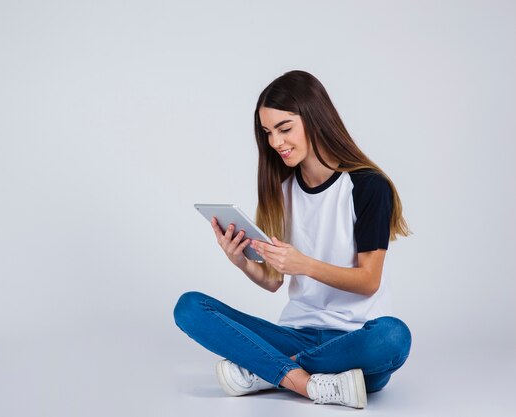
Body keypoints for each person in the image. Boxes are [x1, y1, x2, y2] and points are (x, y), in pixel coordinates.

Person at [173, 70, 412, 409]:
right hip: (295, 333)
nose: (275, 143)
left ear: (316, 119)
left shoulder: (368, 187)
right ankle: (305, 382)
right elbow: (274, 281)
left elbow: (369, 280)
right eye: (268, 132)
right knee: (189, 307)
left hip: (355, 340)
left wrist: (305, 264)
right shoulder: (282, 191)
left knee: (393, 337)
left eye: (284, 129)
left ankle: (265, 369)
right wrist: (241, 262)